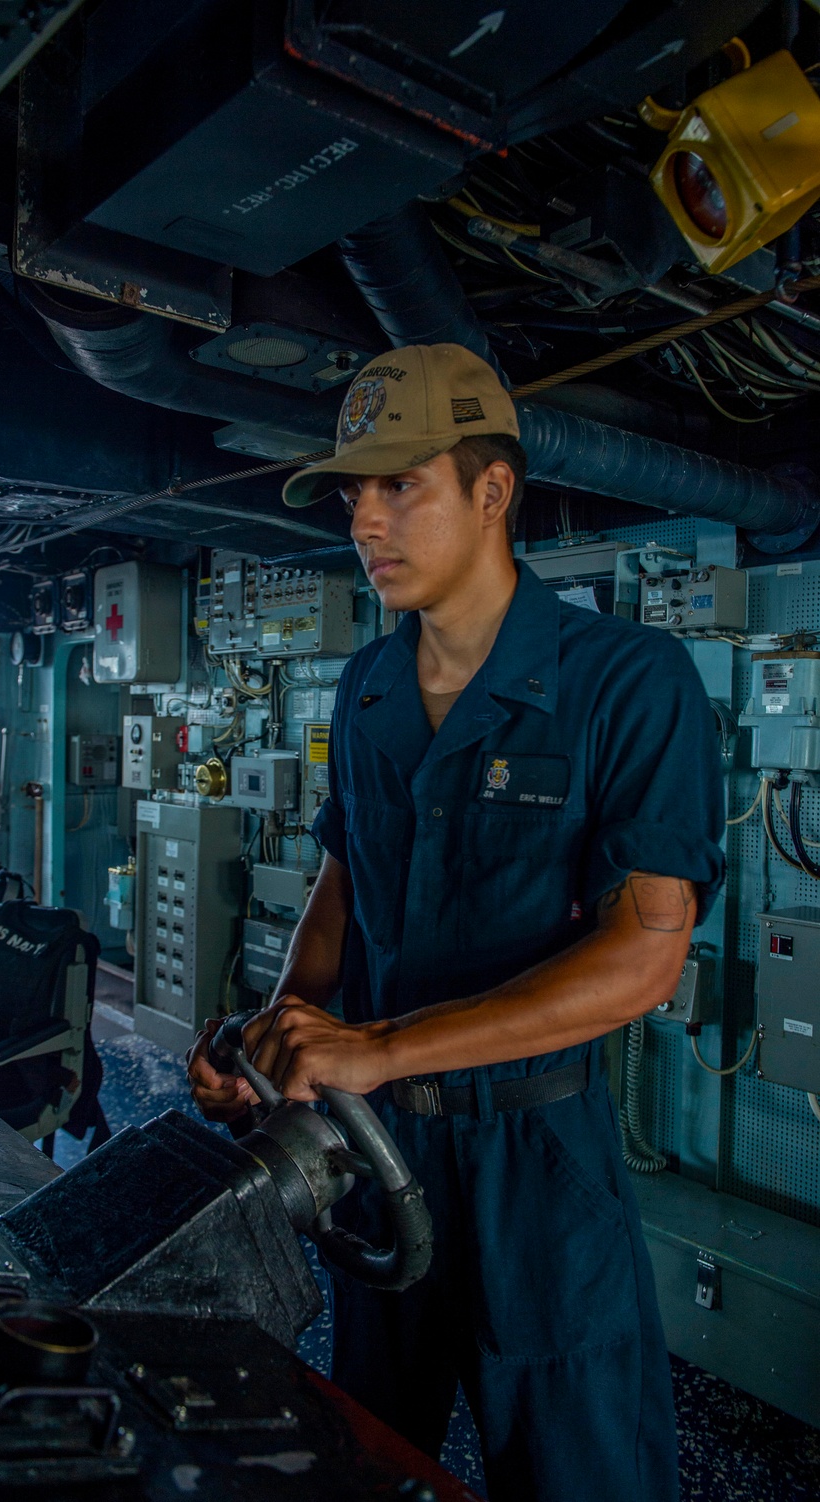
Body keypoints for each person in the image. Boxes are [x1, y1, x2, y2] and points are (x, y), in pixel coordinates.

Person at [187, 342, 725, 1502]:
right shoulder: (368, 686)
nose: (365, 522)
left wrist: (375, 1048)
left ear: (493, 491)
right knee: (372, 1450)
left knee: (583, 1465)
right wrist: (277, 1038)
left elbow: (641, 957)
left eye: (401, 486)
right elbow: (343, 893)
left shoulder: (630, 681)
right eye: (353, 495)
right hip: (380, 1153)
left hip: (537, 1152)